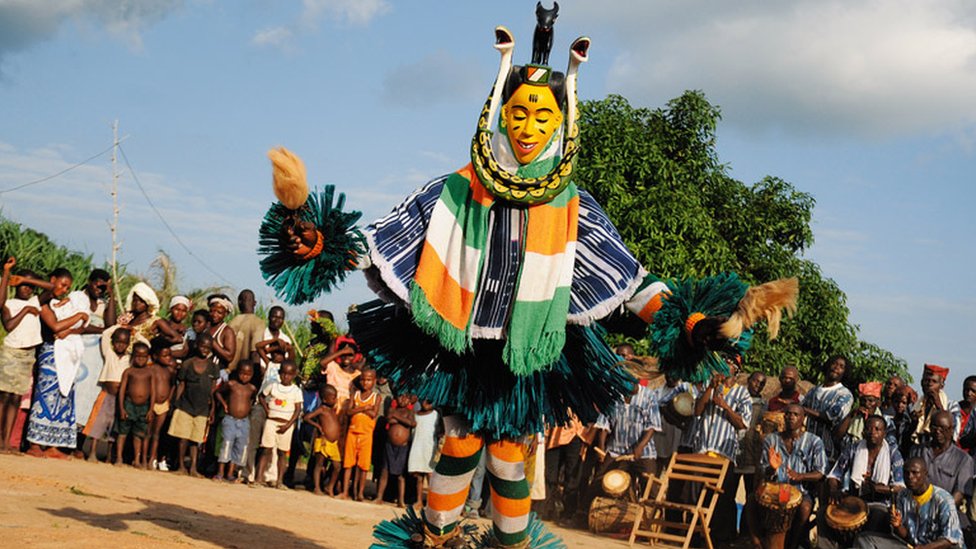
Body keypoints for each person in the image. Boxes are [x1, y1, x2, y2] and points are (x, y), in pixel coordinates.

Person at [26, 268, 90, 458]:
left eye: (67, 287)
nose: (64, 290)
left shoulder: (65, 304)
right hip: (49, 353)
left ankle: (53, 444)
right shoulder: (43, 302)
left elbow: (72, 329)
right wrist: (79, 316)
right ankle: (35, 443)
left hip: (66, 356)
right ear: (52, 280)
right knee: (44, 397)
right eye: (62, 285)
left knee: (63, 399)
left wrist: (74, 327)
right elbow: (55, 327)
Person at [690, 357, 753, 543]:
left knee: (721, 499)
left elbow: (743, 424)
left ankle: (717, 539)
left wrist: (725, 406)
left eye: (728, 366)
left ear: (736, 370)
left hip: (724, 454)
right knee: (697, 495)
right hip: (702, 451)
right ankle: (696, 535)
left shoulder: (742, 394)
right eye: (721, 365)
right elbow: (697, 411)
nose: (724, 369)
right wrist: (710, 388)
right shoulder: (709, 388)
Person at [749, 404, 827, 549]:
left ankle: (793, 544)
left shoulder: (814, 441)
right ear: (783, 417)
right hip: (775, 489)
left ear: (803, 419)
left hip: (801, 491)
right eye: (788, 414)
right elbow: (763, 470)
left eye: (796, 414)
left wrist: (801, 476)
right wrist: (772, 469)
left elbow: (821, 473)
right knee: (751, 501)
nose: (791, 417)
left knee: (804, 507)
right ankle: (758, 543)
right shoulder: (771, 440)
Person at [824, 415, 905, 546]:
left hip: (881, 503)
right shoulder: (853, 447)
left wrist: (877, 488)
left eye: (877, 429)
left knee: (877, 516)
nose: (873, 432)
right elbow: (834, 474)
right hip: (853, 500)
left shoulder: (893, 452)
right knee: (824, 514)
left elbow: (900, 487)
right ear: (863, 432)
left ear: (884, 433)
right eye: (869, 428)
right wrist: (834, 490)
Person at [853, 457, 964, 549]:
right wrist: (898, 526)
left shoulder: (943, 500)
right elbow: (906, 536)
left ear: (925, 474)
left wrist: (927, 548)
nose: (910, 477)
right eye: (906, 473)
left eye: (915, 473)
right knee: (864, 539)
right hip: (913, 546)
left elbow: (951, 539)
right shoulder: (903, 496)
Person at [910, 411, 974, 543]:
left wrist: (935, 512)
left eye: (943, 428)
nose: (938, 431)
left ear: (951, 430)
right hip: (915, 511)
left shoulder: (963, 459)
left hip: (946, 515)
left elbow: (959, 494)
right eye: (934, 427)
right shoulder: (917, 450)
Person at [0, 258, 43, 452]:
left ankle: (7, 441)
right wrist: (7, 273)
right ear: (16, 285)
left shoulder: (36, 301)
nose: (26, 288)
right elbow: (8, 326)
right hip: (11, 354)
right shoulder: (10, 303)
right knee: (3, 397)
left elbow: (52, 288)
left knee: (16, 398)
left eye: (30, 285)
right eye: (23, 284)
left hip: (27, 356)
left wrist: (30, 280)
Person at [168, 333, 219, 476]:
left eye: (208, 347)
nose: (204, 349)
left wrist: (213, 408)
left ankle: (193, 468)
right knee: (182, 438)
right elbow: (181, 385)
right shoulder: (187, 364)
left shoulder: (213, 367)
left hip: (202, 408)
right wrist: (175, 404)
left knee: (195, 440)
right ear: (196, 345)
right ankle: (181, 466)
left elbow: (213, 390)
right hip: (185, 405)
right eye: (202, 346)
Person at [82, 326, 131, 460]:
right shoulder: (109, 353)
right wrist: (120, 326)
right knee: (98, 423)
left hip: (120, 398)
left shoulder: (130, 359)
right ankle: (92, 452)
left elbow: (146, 344)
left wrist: (134, 332)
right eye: (118, 341)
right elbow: (105, 333)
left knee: (114, 426)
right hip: (106, 394)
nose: (120, 345)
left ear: (128, 344)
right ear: (113, 342)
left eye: (124, 342)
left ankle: (109, 455)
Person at [256, 360, 303, 488]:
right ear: (279, 373)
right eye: (283, 373)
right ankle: (258, 478)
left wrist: (288, 425)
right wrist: (267, 410)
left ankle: (279, 481)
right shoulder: (273, 385)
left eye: (289, 374)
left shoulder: (296, 391)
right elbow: (261, 396)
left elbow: (298, 410)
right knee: (266, 449)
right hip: (271, 421)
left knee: (282, 453)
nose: (286, 377)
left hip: (286, 425)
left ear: (294, 375)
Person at [802, 354, 854, 464]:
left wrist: (804, 410)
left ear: (845, 372)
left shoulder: (844, 395)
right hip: (805, 450)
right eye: (834, 364)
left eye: (841, 366)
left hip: (828, 453)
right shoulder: (813, 391)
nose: (836, 367)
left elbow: (831, 416)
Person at [340, 368, 381, 500]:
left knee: (363, 466)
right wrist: (364, 408)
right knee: (348, 463)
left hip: (366, 434)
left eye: (368, 380)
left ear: (374, 381)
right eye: (363, 379)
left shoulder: (376, 397)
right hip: (353, 432)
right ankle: (345, 492)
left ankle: (360, 493)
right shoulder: (356, 394)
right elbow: (348, 412)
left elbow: (374, 414)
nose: (365, 382)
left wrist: (358, 409)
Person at [735, 370, 768, 533]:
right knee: (727, 495)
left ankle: (747, 533)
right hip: (733, 453)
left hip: (753, 457)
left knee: (750, 496)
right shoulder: (736, 397)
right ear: (748, 380)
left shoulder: (764, 406)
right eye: (756, 381)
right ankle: (726, 532)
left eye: (762, 383)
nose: (758, 385)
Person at [115, 341, 155, 468]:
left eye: (144, 357)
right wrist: (121, 408)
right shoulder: (129, 371)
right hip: (129, 404)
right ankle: (119, 458)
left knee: (138, 435)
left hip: (144, 407)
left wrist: (150, 409)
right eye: (138, 356)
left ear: (148, 357)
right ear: (133, 357)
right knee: (122, 432)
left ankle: (136, 460)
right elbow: (122, 391)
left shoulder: (150, 372)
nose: (140, 359)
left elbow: (153, 392)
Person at [215, 362, 257, 482]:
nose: (245, 377)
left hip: (244, 421)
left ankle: (230, 473)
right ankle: (220, 472)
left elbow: (252, 400)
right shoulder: (231, 384)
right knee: (227, 444)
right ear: (238, 373)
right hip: (230, 420)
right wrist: (224, 404)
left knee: (239, 446)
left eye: (248, 374)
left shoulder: (252, 388)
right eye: (243, 374)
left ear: (252, 375)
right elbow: (218, 392)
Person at [375, 392, 416, 506]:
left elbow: (412, 423)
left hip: (403, 446)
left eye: (406, 397)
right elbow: (389, 420)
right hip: (389, 445)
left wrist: (397, 418)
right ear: (396, 399)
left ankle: (401, 500)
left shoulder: (410, 412)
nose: (402, 399)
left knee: (401, 475)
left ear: (410, 400)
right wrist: (402, 420)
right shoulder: (391, 410)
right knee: (384, 471)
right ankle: (379, 497)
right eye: (400, 396)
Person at [305, 384, 343, 495]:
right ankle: (317, 488)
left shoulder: (332, 410)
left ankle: (329, 486)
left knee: (337, 466)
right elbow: (307, 418)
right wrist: (318, 426)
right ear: (325, 399)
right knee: (319, 464)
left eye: (335, 397)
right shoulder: (322, 409)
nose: (335, 400)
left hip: (333, 443)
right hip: (323, 441)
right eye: (333, 398)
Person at [914, 364, 961, 447]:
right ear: (921, 383)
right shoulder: (915, 405)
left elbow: (954, 433)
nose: (929, 384)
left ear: (942, 385)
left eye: (934, 381)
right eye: (926, 380)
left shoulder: (951, 405)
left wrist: (938, 405)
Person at [147, 344, 176, 471]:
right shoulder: (151, 369)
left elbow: (173, 385)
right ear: (155, 356)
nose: (168, 358)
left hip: (164, 405)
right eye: (164, 356)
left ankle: (153, 458)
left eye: (169, 355)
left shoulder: (169, 371)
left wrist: (168, 399)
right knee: (148, 432)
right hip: (151, 403)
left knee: (157, 434)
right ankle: (143, 457)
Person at [408, 400, 440, 511]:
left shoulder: (436, 415)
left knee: (431, 476)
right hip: (417, 446)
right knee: (419, 477)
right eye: (424, 400)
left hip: (430, 448)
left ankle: (431, 502)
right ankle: (419, 500)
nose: (426, 403)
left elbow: (440, 431)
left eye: (430, 401)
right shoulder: (415, 415)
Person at [227, 289, 265, 371]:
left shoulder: (232, 322)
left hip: (230, 370)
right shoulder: (258, 323)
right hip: (247, 372)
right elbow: (255, 352)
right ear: (254, 303)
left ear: (239, 303)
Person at [839, 381, 884, 446]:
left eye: (870, 401)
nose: (866, 404)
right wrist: (851, 415)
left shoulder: (885, 420)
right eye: (863, 400)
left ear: (878, 403)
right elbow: (838, 436)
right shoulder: (855, 416)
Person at [205, 294, 237, 371]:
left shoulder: (227, 331)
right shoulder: (205, 326)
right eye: (212, 311)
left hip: (216, 372)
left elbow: (229, 357)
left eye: (219, 312)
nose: (214, 315)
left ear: (225, 314)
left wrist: (211, 341)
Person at [886, 385, 918, 457]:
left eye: (904, 403)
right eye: (897, 402)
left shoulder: (910, 422)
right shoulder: (888, 421)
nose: (900, 405)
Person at [956, 376, 976, 456]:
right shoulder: (953, 409)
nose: (969, 393)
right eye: (966, 390)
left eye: (973, 391)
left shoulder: (974, 415)